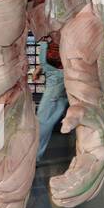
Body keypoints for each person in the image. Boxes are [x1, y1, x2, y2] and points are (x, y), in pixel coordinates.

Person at [35, 31, 68, 162]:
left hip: (57, 75)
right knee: (54, 110)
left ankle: (33, 157)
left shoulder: (60, 24)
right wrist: (40, 67)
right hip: (54, 74)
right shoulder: (51, 22)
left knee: (43, 117)